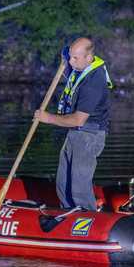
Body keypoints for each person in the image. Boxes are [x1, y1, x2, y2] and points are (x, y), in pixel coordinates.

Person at [34, 37, 113, 211]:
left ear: (89, 57)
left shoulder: (93, 82)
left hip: (89, 135)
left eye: (75, 58)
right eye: (70, 57)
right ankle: (67, 216)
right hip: (75, 133)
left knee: (78, 187)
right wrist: (66, 54)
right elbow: (68, 55)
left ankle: (87, 219)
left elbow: (78, 119)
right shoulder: (79, 64)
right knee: (62, 183)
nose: (70, 62)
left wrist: (48, 118)